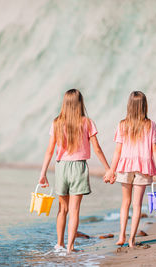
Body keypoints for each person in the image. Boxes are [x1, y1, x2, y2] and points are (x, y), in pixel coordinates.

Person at [39, 89, 110, 253]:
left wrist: (42, 174)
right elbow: (97, 149)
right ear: (80, 103)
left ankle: (59, 245)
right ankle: (71, 247)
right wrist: (108, 168)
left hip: (61, 167)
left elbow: (49, 151)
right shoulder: (87, 122)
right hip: (78, 167)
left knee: (62, 209)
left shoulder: (57, 122)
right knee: (75, 210)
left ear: (64, 103)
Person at [105, 91, 156, 247]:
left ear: (129, 105)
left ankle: (121, 236)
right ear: (144, 105)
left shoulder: (122, 124)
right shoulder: (150, 125)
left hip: (125, 166)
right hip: (144, 167)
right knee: (137, 204)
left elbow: (118, 151)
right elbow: (155, 149)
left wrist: (112, 170)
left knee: (125, 202)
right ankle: (132, 239)